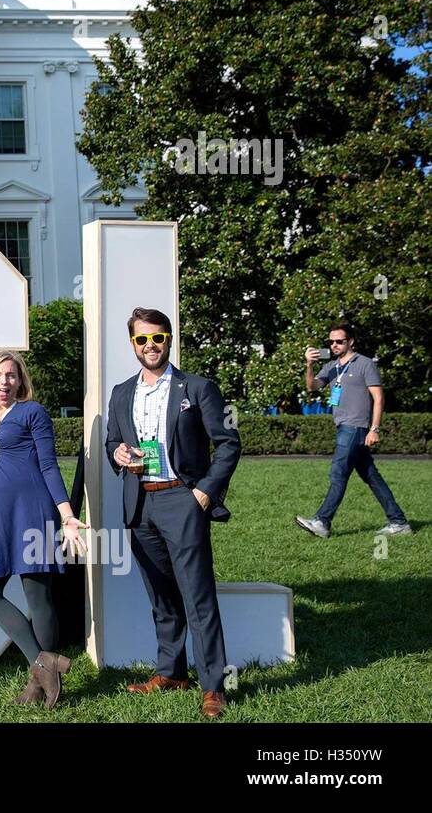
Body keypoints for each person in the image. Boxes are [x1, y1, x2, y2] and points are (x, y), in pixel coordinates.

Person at [105, 308, 241, 719]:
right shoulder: (121, 392)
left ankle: (213, 685)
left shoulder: (197, 388)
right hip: (139, 503)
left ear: (169, 339)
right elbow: (114, 439)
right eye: (142, 340)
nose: (150, 346)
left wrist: (203, 493)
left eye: (157, 338)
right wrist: (118, 453)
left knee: (197, 596)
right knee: (160, 595)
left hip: (182, 500)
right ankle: (171, 671)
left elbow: (228, 444)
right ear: (132, 344)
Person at [0, 353, 89, 708]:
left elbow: (48, 465)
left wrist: (67, 515)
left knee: (37, 596)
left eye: (11, 376)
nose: (4, 382)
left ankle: (39, 679)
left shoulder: (32, 412)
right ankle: (45, 666)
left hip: (32, 513)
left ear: (21, 381)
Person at [296, 322, 411, 538]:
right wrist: (309, 365)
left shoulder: (365, 364)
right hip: (342, 426)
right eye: (331, 342)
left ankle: (322, 521)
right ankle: (399, 522)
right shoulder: (331, 367)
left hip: (355, 427)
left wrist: (374, 429)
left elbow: (378, 398)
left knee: (338, 473)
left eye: (339, 341)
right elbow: (312, 386)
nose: (334, 345)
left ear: (351, 341)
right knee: (372, 477)